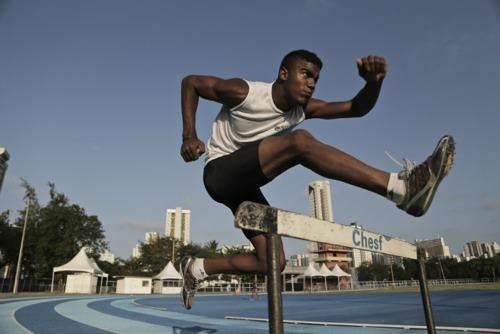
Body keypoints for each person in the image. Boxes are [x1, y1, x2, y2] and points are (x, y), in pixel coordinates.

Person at [178, 50, 454, 310]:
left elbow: (356, 108)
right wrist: (189, 135)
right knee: (299, 142)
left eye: (316, 79)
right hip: (219, 174)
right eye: (306, 74)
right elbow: (191, 82)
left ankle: (197, 268)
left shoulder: (302, 109)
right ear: (284, 73)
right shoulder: (245, 93)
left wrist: (373, 84)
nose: (312, 84)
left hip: (245, 183)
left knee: (272, 261)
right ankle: (400, 189)